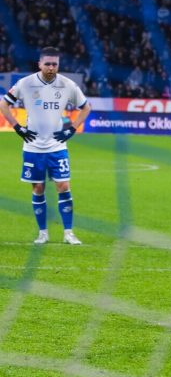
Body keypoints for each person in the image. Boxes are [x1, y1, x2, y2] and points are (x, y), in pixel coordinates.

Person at [0, 46, 91, 245]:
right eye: (47, 64)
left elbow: (86, 107)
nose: (51, 67)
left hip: (57, 146)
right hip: (32, 147)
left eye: (54, 64)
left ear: (58, 65)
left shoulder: (67, 85)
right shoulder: (25, 83)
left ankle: (68, 233)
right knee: (38, 188)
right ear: (40, 64)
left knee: (63, 186)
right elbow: (4, 104)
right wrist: (17, 127)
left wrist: (72, 129)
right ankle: (43, 233)